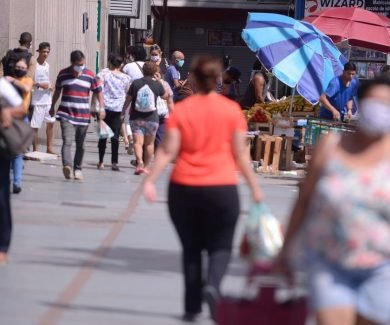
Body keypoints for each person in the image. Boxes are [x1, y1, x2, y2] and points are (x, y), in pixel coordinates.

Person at [143, 55, 263, 322]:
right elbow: (241, 155)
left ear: (194, 79)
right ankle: (213, 286)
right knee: (221, 246)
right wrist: (255, 188)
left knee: (191, 248)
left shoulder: (183, 110)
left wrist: (150, 180)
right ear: (218, 80)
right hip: (221, 188)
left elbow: (168, 150)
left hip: (183, 188)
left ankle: (191, 306)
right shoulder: (231, 110)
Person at [274, 75, 390, 325]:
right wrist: (285, 252)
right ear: (360, 102)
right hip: (329, 263)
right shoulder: (331, 147)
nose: (380, 111)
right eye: (374, 102)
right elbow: (304, 200)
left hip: (382, 268)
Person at [50, 50, 104, 181]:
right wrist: (52, 106)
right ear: (72, 63)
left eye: (83, 64)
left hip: (83, 115)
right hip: (65, 113)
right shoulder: (63, 74)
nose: (81, 67)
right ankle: (67, 166)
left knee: (81, 145)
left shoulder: (90, 75)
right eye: (79, 64)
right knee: (67, 141)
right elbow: (57, 92)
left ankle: (78, 169)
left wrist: (101, 108)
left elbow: (99, 92)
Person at [121, 62, 167, 175]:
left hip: (136, 117)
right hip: (152, 118)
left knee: (137, 143)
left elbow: (128, 99)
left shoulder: (136, 83)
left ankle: (139, 162)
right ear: (154, 72)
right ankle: (146, 166)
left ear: (143, 71)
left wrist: (123, 112)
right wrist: (160, 81)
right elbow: (165, 96)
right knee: (149, 144)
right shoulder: (156, 84)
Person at [0, 77, 23, 264]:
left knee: (1, 198)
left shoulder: (2, 86)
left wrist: (7, 112)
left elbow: (22, 108)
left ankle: (3, 246)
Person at [96, 53, 131, 171]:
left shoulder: (103, 74)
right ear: (121, 65)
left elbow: (98, 89)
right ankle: (114, 163)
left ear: (110, 62)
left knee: (103, 136)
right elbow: (127, 93)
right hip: (118, 109)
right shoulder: (126, 78)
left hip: (104, 108)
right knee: (115, 137)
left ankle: (101, 161)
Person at [5, 58, 33, 194]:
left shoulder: (27, 80)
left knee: (17, 153)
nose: (20, 69)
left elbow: (27, 88)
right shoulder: (5, 82)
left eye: (23, 67)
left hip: (22, 119)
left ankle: (17, 183)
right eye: (18, 67)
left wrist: (12, 81)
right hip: (6, 119)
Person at [30, 42, 56, 154]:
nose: (45, 54)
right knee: (35, 125)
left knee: (51, 122)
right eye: (43, 52)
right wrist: (40, 85)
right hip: (37, 100)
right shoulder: (33, 64)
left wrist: (50, 86)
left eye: (47, 52)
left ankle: (49, 147)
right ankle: (35, 149)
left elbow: (47, 80)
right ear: (38, 51)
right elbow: (29, 80)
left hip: (47, 99)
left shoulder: (47, 65)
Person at [122, 46, 147, 154]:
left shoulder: (128, 66)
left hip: (131, 95)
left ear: (133, 55)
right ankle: (140, 140)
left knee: (127, 119)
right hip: (146, 96)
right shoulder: (148, 66)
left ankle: (131, 138)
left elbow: (123, 80)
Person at [153, 67, 174, 150]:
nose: (155, 75)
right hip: (151, 114)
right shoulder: (148, 83)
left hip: (163, 114)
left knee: (159, 138)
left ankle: (157, 156)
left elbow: (170, 99)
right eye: (154, 73)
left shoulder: (165, 84)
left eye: (157, 73)